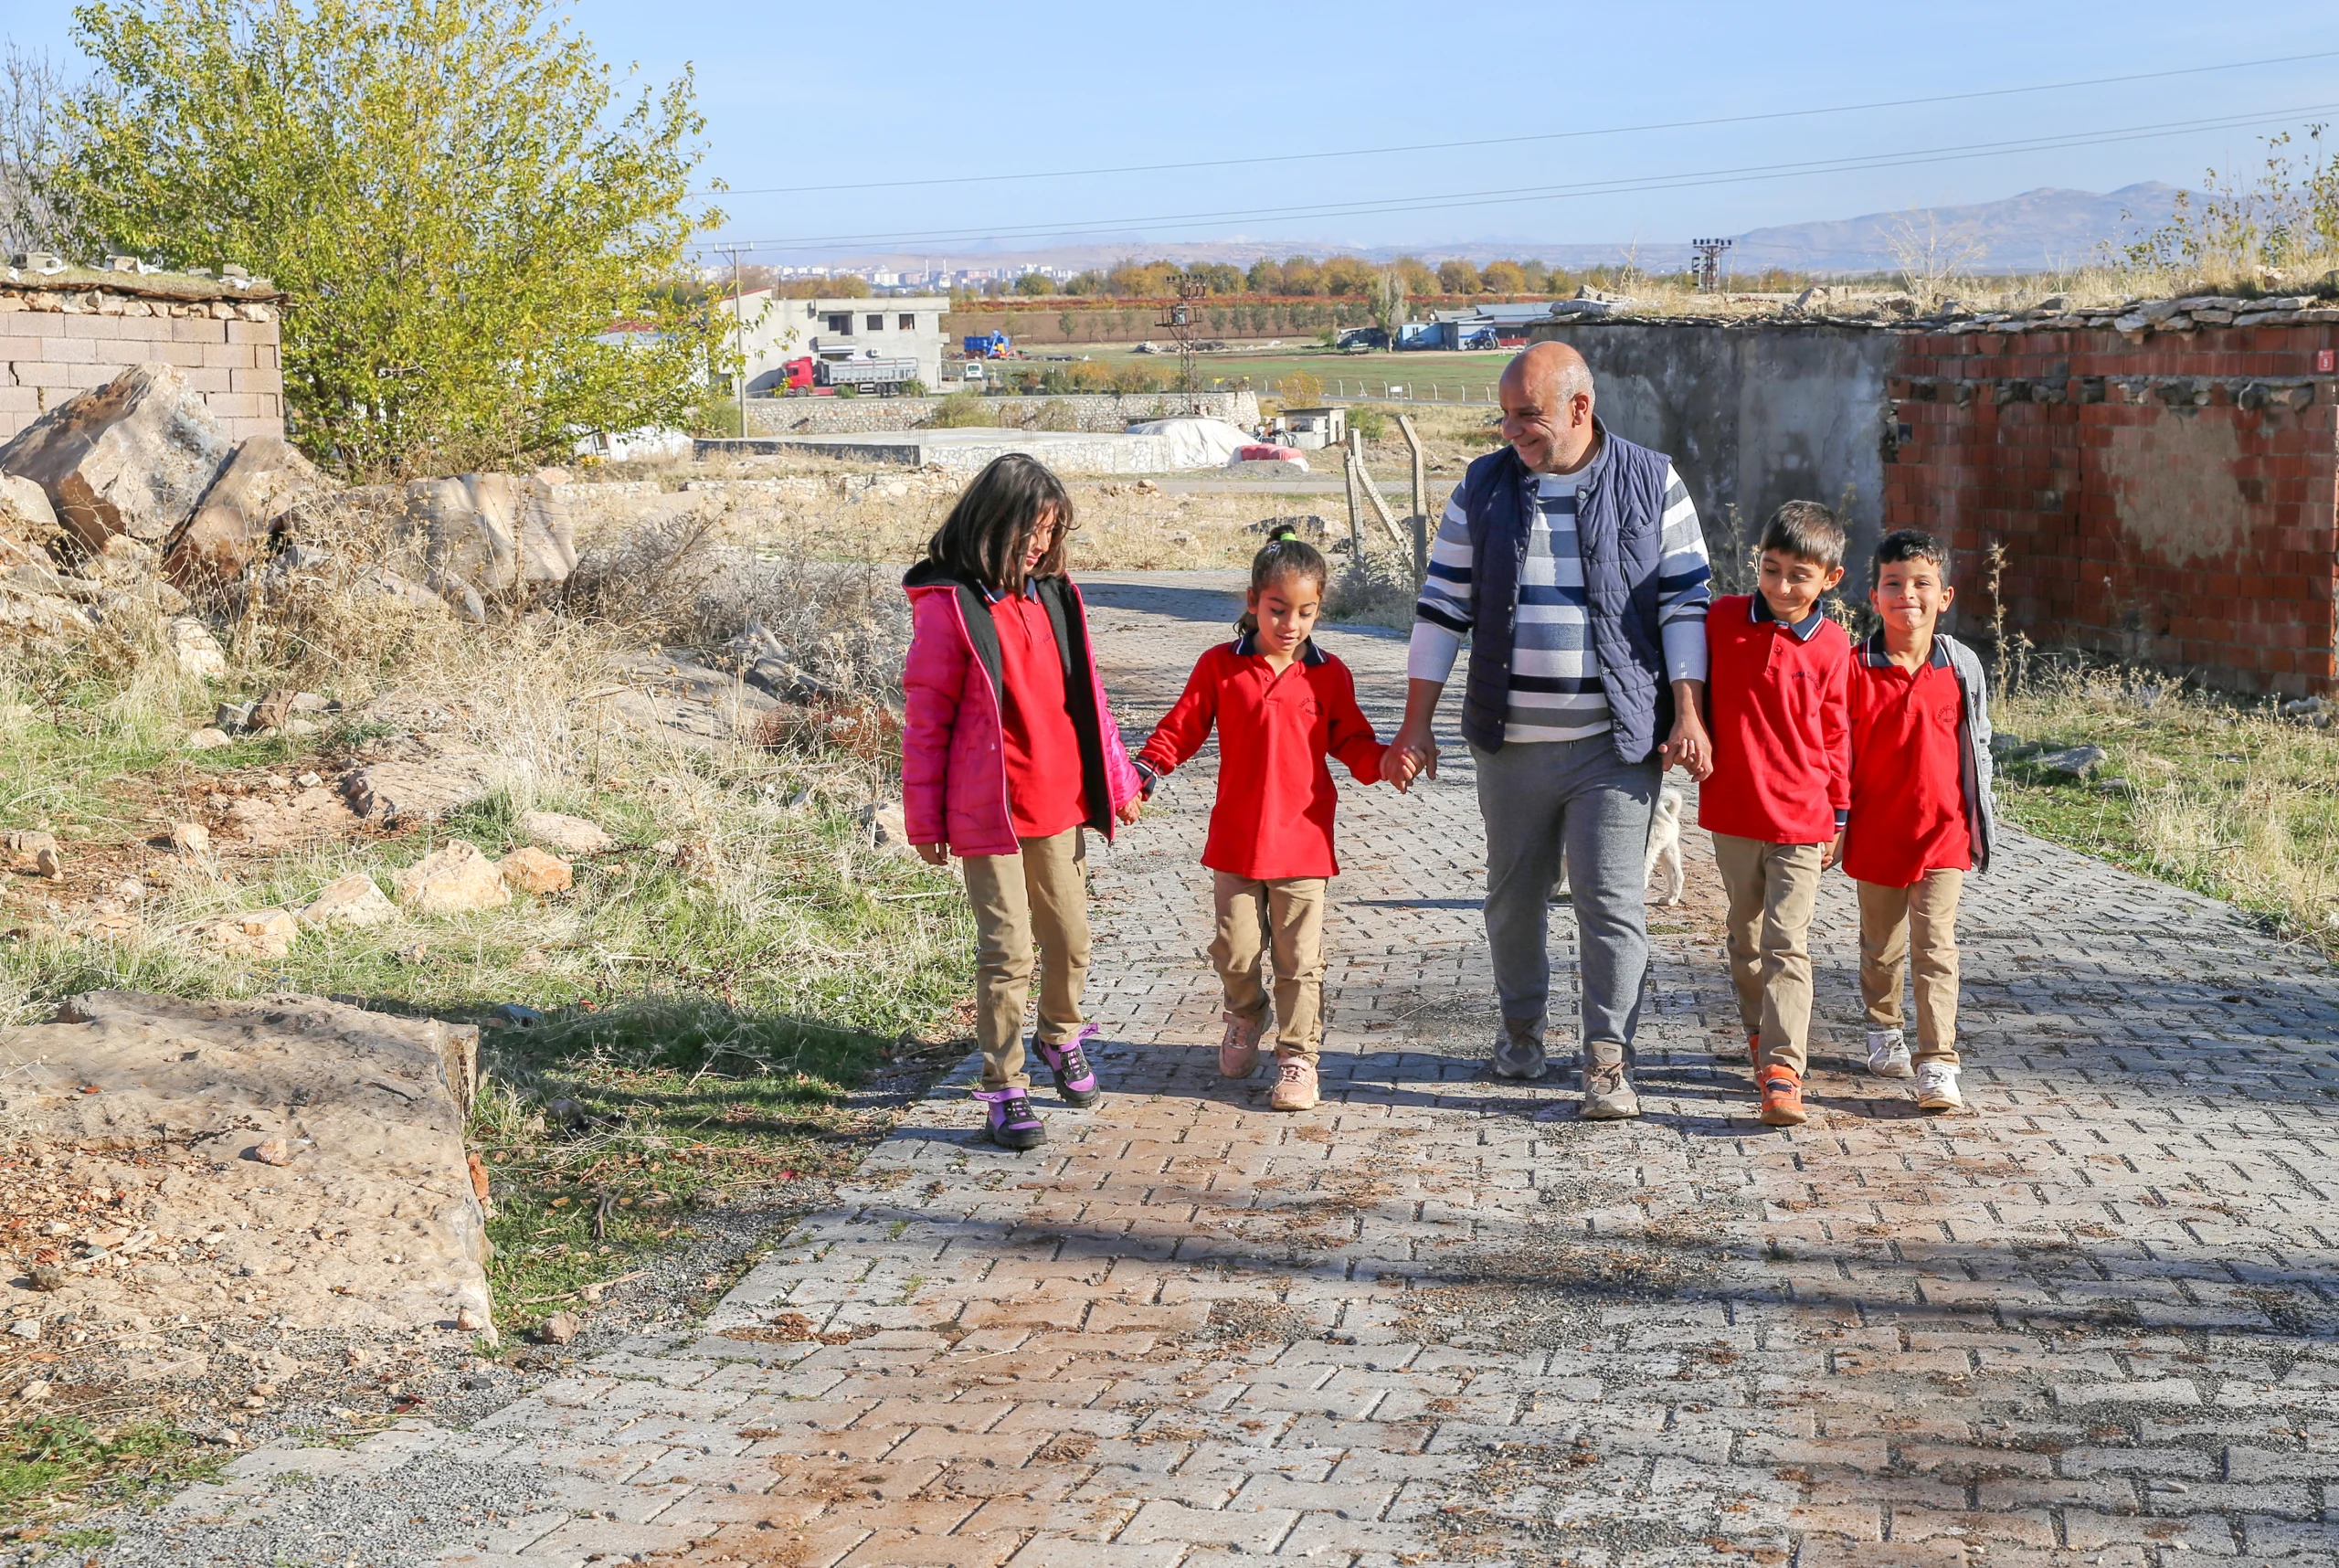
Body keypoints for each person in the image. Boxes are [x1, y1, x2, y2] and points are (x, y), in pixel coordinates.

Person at [1385, 341, 1714, 1120]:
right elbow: (1442, 608)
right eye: (1503, 417)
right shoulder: (1483, 486)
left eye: (1526, 416)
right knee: (1513, 897)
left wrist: (1690, 712)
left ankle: (1608, 1060)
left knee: (1611, 902)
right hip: (1511, 740)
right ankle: (1522, 1032)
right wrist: (1414, 725)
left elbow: (1685, 605)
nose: (1512, 433)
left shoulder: (1652, 480)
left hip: (1617, 741)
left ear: (1579, 407)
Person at [901, 454, 1143, 1150]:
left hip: (1061, 803)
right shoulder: (953, 606)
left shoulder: (1056, 595)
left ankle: (1058, 1037)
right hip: (990, 814)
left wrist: (1120, 782)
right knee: (1006, 952)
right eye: (1031, 529)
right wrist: (925, 819)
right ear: (993, 521)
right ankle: (1005, 1087)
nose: (1040, 543)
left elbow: (1087, 698)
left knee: (1071, 938)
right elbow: (928, 720)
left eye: (1051, 530)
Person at [1129, 530, 1390, 1113]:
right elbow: (1182, 728)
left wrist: (1387, 761)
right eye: (1278, 610)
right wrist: (1144, 772)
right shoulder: (1220, 666)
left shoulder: (1329, 674)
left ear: (1320, 609)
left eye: (1306, 611)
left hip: (1303, 843)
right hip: (1237, 842)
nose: (1291, 624)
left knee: (1299, 961)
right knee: (1235, 952)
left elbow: (1352, 739)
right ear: (1253, 602)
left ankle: (1299, 1058)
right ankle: (1245, 1015)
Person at [1699, 502, 1853, 1128]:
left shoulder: (1833, 644)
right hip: (1733, 811)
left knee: (1788, 942)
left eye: (1799, 575)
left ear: (1829, 580)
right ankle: (1761, 1034)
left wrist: (1840, 815)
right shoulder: (1721, 619)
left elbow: (1837, 733)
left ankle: (1784, 1071)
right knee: (1745, 938)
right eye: (1771, 569)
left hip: (1803, 819)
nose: (1783, 586)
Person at [1836, 528, 1996, 1113]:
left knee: (1936, 946)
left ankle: (1938, 1064)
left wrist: (1981, 821)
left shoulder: (1962, 664)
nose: (1908, 595)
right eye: (1894, 584)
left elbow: (1977, 744)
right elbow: (1839, 749)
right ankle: (1883, 1030)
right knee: (1882, 945)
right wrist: (1838, 820)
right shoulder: (1853, 666)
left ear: (1945, 596)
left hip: (1943, 831)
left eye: (1921, 583)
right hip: (1877, 829)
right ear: (1873, 596)